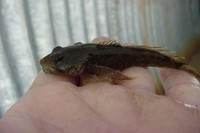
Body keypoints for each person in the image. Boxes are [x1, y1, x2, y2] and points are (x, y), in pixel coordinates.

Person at [0, 37, 200, 133]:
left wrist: (113, 76)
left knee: (157, 61)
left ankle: (179, 65)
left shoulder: (89, 64)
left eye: (60, 62)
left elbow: (112, 75)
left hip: (125, 57)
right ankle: (179, 65)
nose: (54, 65)